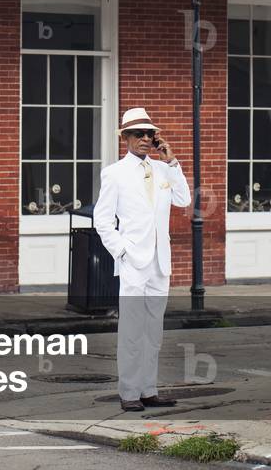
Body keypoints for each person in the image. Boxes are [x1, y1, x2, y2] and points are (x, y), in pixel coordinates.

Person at [93, 107, 191, 412]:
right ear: (125, 137)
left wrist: (172, 160)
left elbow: (184, 200)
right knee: (133, 332)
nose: (145, 139)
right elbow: (103, 220)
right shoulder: (114, 173)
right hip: (134, 261)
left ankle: (149, 390)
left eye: (150, 133)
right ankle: (130, 393)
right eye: (138, 134)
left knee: (154, 332)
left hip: (160, 262)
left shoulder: (163, 170)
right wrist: (122, 251)